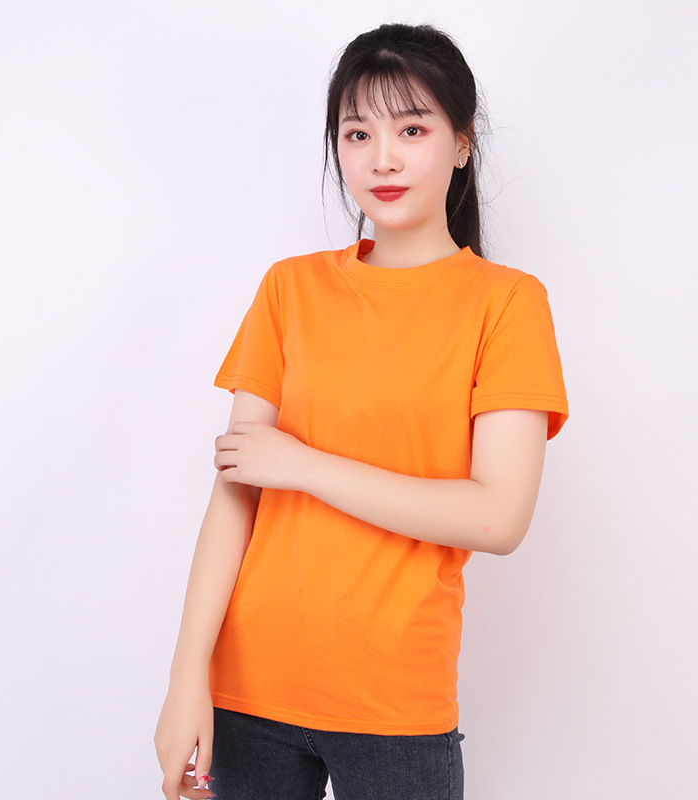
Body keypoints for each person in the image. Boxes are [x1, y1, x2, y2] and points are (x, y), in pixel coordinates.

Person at [154, 21, 568, 800]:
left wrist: (305, 466)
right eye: (357, 133)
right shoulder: (290, 289)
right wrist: (186, 678)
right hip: (247, 693)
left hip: (395, 705)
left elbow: (498, 518)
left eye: (412, 129)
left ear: (461, 143)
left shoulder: (507, 304)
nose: (382, 158)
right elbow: (235, 497)